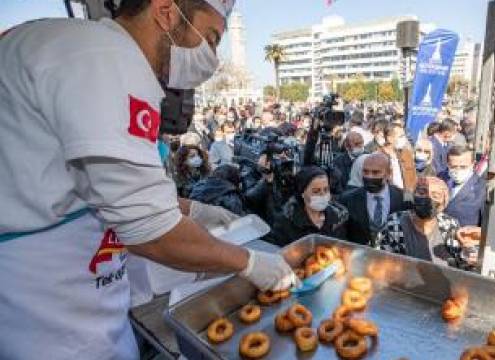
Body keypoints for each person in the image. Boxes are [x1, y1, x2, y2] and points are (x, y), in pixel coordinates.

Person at [0, 1, 296, 358]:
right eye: (213, 38)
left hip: (70, 278)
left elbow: (108, 183)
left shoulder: (78, 47)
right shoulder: (106, 59)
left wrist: (194, 209)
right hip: (47, 301)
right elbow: (149, 228)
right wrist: (247, 262)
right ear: (167, 11)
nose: (212, 56)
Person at [378, 176, 477, 268]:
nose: (428, 199)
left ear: (443, 203)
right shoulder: (394, 222)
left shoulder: (450, 225)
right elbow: (381, 259)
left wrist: (467, 255)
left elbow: (461, 262)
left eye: (435, 195)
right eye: (421, 193)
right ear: (413, 196)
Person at [339, 153, 409, 247]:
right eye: (365, 172)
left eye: (375, 172)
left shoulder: (405, 198)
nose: (369, 177)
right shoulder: (347, 199)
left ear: (389, 174)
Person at [269, 166, 348, 246]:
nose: (323, 195)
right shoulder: (286, 222)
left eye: (326, 189)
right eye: (316, 191)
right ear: (302, 193)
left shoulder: (337, 217)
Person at [441, 145, 487, 227]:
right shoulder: (441, 178)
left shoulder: (482, 188)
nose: (458, 170)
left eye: (463, 167)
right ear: (448, 164)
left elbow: (485, 224)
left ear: (473, 164)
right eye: (453, 166)